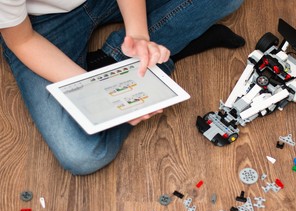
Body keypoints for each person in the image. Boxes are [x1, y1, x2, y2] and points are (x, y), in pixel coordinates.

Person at [0, 0, 245, 175]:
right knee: (83, 154)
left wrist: (139, 35)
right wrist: (97, 89)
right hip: (40, 26)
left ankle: (121, 58)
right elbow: (23, 40)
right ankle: (158, 54)